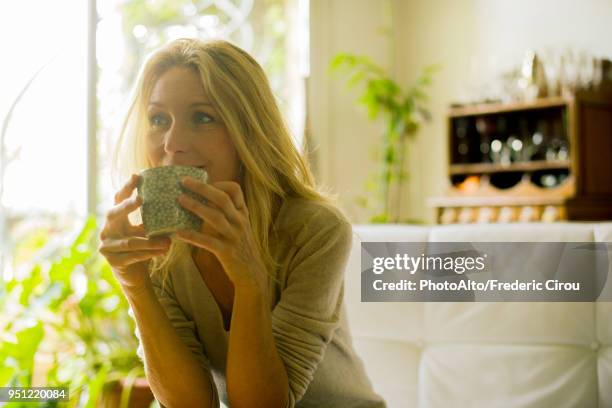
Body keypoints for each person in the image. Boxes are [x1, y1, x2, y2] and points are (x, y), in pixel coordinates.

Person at [98, 37, 386, 408]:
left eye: (203, 117)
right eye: (158, 119)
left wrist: (248, 279)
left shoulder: (316, 230)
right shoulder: (158, 245)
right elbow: (189, 404)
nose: (172, 143)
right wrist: (134, 283)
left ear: (248, 130)